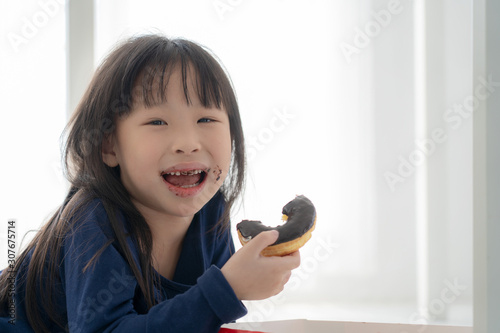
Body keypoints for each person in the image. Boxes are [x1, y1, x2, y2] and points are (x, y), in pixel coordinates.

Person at [0, 34, 300, 333]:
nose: (187, 143)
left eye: (206, 119)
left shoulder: (211, 210)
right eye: (157, 122)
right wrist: (227, 289)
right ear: (109, 147)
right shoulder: (93, 220)